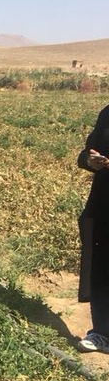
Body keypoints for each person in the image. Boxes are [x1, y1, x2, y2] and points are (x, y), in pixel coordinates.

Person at [76, 104, 109, 353]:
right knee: (101, 266)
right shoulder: (107, 114)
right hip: (103, 203)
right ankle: (101, 332)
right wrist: (90, 160)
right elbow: (85, 153)